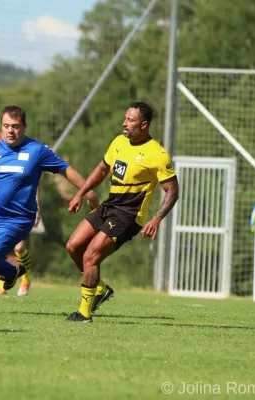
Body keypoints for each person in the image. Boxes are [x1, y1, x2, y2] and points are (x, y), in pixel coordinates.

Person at [0, 105, 99, 312]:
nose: (10, 131)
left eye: (15, 126)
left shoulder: (37, 150)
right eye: (6, 126)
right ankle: (12, 272)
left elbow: (67, 171)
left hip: (17, 219)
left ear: (24, 126)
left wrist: (88, 191)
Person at [64, 102, 179, 322]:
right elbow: (101, 170)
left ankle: (84, 313)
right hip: (110, 206)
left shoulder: (157, 154)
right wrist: (81, 193)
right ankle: (100, 289)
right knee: (73, 246)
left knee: (91, 256)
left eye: (130, 120)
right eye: (125, 119)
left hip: (129, 215)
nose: (124, 123)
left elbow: (172, 191)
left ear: (143, 125)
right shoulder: (119, 142)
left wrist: (156, 219)